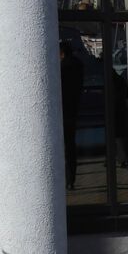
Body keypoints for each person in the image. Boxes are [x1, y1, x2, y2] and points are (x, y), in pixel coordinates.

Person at [59, 40, 84, 189]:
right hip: (73, 108)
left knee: (61, 146)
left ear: (61, 53)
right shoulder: (79, 65)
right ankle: (70, 180)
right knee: (70, 146)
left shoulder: (62, 68)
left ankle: (66, 179)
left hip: (62, 110)